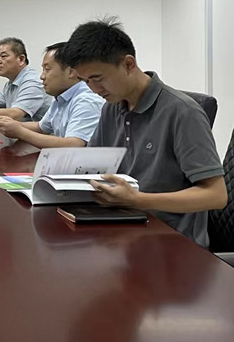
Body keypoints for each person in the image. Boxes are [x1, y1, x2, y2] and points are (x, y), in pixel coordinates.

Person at [62, 18, 226, 247]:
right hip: (122, 229)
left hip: (172, 243)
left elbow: (216, 195)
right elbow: (94, 166)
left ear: (128, 64)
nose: (94, 89)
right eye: (86, 81)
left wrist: (138, 200)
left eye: (98, 79)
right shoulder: (111, 108)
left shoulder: (182, 112)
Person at [0, 42, 104, 148]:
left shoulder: (87, 100)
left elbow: (74, 144)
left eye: (47, 69)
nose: (42, 76)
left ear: (71, 72)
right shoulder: (61, 96)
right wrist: (10, 124)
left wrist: (20, 132)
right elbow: (41, 127)